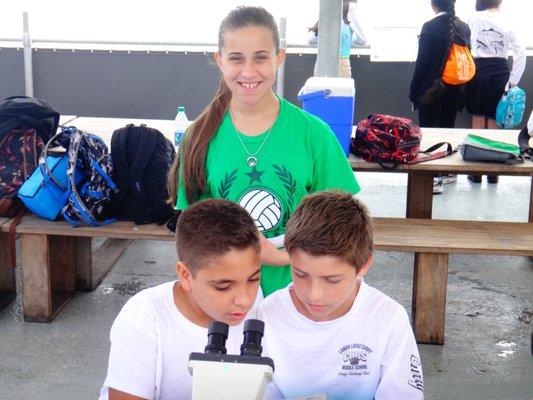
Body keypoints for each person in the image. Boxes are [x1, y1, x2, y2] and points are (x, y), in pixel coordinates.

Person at [167, 6, 360, 297]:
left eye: (260, 57)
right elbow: (194, 230)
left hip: (299, 297)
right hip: (226, 300)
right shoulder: (199, 136)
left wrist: (283, 258)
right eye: (236, 59)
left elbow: (341, 227)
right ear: (220, 61)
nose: (248, 71)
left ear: (279, 58)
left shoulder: (314, 134)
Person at [260, 190, 424, 400]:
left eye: (332, 280)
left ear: (363, 266)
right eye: (300, 274)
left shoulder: (388, 318)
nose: (314, 295)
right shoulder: (268, 314)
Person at [99, 198, 263, 400]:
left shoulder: (261, 308)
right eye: (224, 286)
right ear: (185, 275)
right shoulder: (144, 318)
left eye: (253, 279)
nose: (245, 300)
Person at [409, 0, 471, 194]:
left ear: (433, 4)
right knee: (446, 132)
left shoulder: (430, 27)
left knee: (429, 136)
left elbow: (421, 65)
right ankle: (445, 173)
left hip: (431, 92)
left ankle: (432, 179)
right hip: (455, 90)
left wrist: (414, 92)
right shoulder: (464, 27)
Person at [466, 0, 526, 184]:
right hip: (500, 72)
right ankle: (493, 173)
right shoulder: (507, 20)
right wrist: (513, 81)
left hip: (478, 70)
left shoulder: (473, 18)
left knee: (477, 121)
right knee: (494, 121)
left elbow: (469, 46)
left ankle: (475, 173)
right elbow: (520, 52)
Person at [308, 0, 367, 78]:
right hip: (341, 62)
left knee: (321, 89)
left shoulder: (326, 7)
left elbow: (312, 39)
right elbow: (362, 39)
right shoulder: (350, 8)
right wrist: (348, 41)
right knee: (341, 90)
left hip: (321, 63)